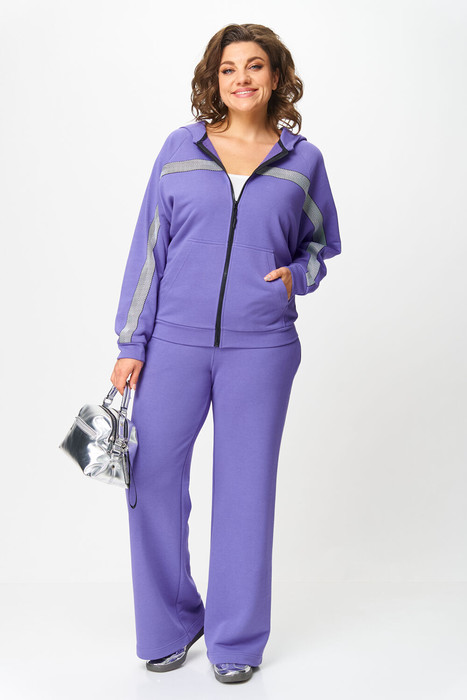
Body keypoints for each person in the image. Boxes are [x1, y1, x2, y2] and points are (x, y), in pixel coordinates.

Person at [110, 23, 341, 684]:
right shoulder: (179, 149)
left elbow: (321, 245)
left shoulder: (302, 160)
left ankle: (235, 640)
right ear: (214, 80)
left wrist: (296, 277)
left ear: (276, 77)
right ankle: (171, 623)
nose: (242, 78)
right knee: (150, 477)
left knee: (245, 491)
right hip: (173, 342)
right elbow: (149, 248)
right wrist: (131, 341)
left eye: (255, 66)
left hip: (261, 347)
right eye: (229, 68)